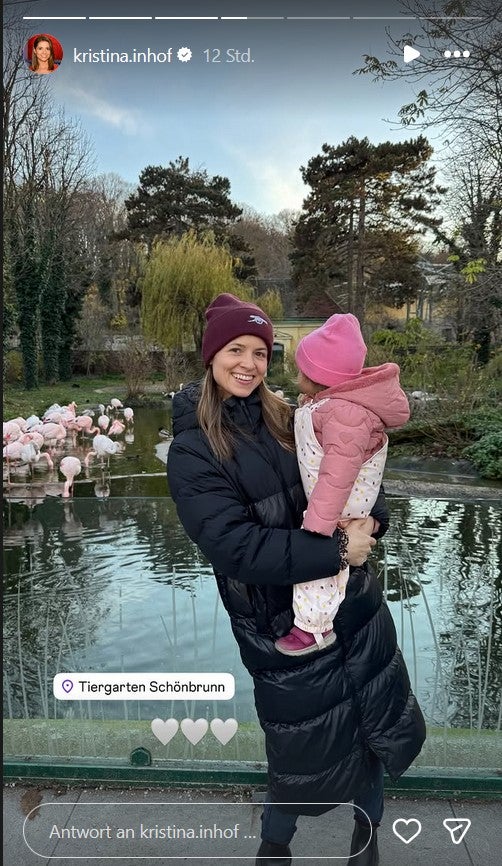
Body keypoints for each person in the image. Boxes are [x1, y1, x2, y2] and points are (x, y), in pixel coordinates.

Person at [167, 293, 425, 866]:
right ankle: (273, 847)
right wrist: (336, 547)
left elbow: (360, 481)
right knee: (302, 748)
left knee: (368, 735)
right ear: (210, 356)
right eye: (236, 349)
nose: (249, 363)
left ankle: (366, 844)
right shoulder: (193, 450)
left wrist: (371, 520)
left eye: (260, 351)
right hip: (282, 626)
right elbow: (235, 547)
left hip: (353, 610)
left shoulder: (296, 414)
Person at [275, 313, 410, 657]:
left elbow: (339, 473)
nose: (296, 374)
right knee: (331, 562)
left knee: (318, 566)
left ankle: (313, 629)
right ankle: (316, 623)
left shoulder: (345, 414)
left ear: (320, 376)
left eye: (303, 369)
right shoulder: (330, 406)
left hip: (339, 503)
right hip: (337, 501)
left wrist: (317, 528)